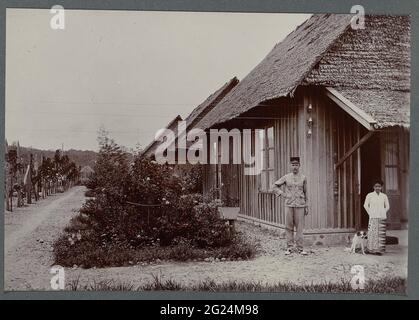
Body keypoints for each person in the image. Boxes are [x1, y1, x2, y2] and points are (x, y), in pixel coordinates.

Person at [271, 157, 309, 255]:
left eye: (296, 165)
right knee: (288, 226)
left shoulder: (303, 178)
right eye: (293, 165)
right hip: (289, 205)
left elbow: (306, 192)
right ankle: (289, 248)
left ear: (299, 166)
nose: (295, 167)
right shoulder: (286, 177)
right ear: (290, 166)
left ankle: (300, 248)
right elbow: (274, 186)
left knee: (300, 227)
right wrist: (282, 194)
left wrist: (307, 205)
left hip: (300, 205)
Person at [363, 180, 390, 255]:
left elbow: (387, 206)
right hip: (373, 216)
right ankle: (370, 249)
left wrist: (383, 212)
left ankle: (379, 250)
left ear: (381, 187)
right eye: (376, 186)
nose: (377, 188)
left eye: (379, 186)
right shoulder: (370, 195)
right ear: (373, 187)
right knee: (372, 233)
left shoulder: (384, 196)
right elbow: (365, 205)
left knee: (380, 234)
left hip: (381, 217)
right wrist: (370, 213)